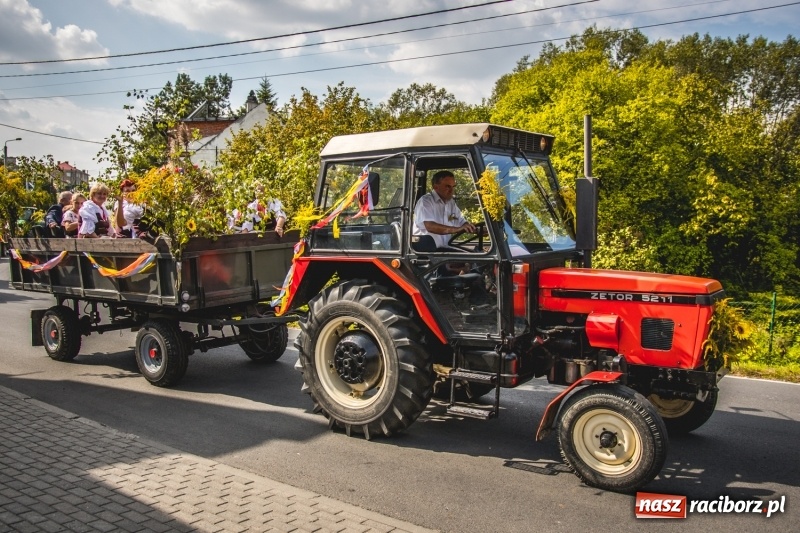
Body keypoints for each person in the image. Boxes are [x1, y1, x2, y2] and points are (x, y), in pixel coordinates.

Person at [413, 170, 476, 249]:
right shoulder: (426, 201)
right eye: (448, 186)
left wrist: (474, 229)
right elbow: (430, 226)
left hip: (444, 251)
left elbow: (460, 221)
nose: (452, 191)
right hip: (426, 252)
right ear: (435, 187)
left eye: (453, 187)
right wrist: (457, 229)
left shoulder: (450, 203)